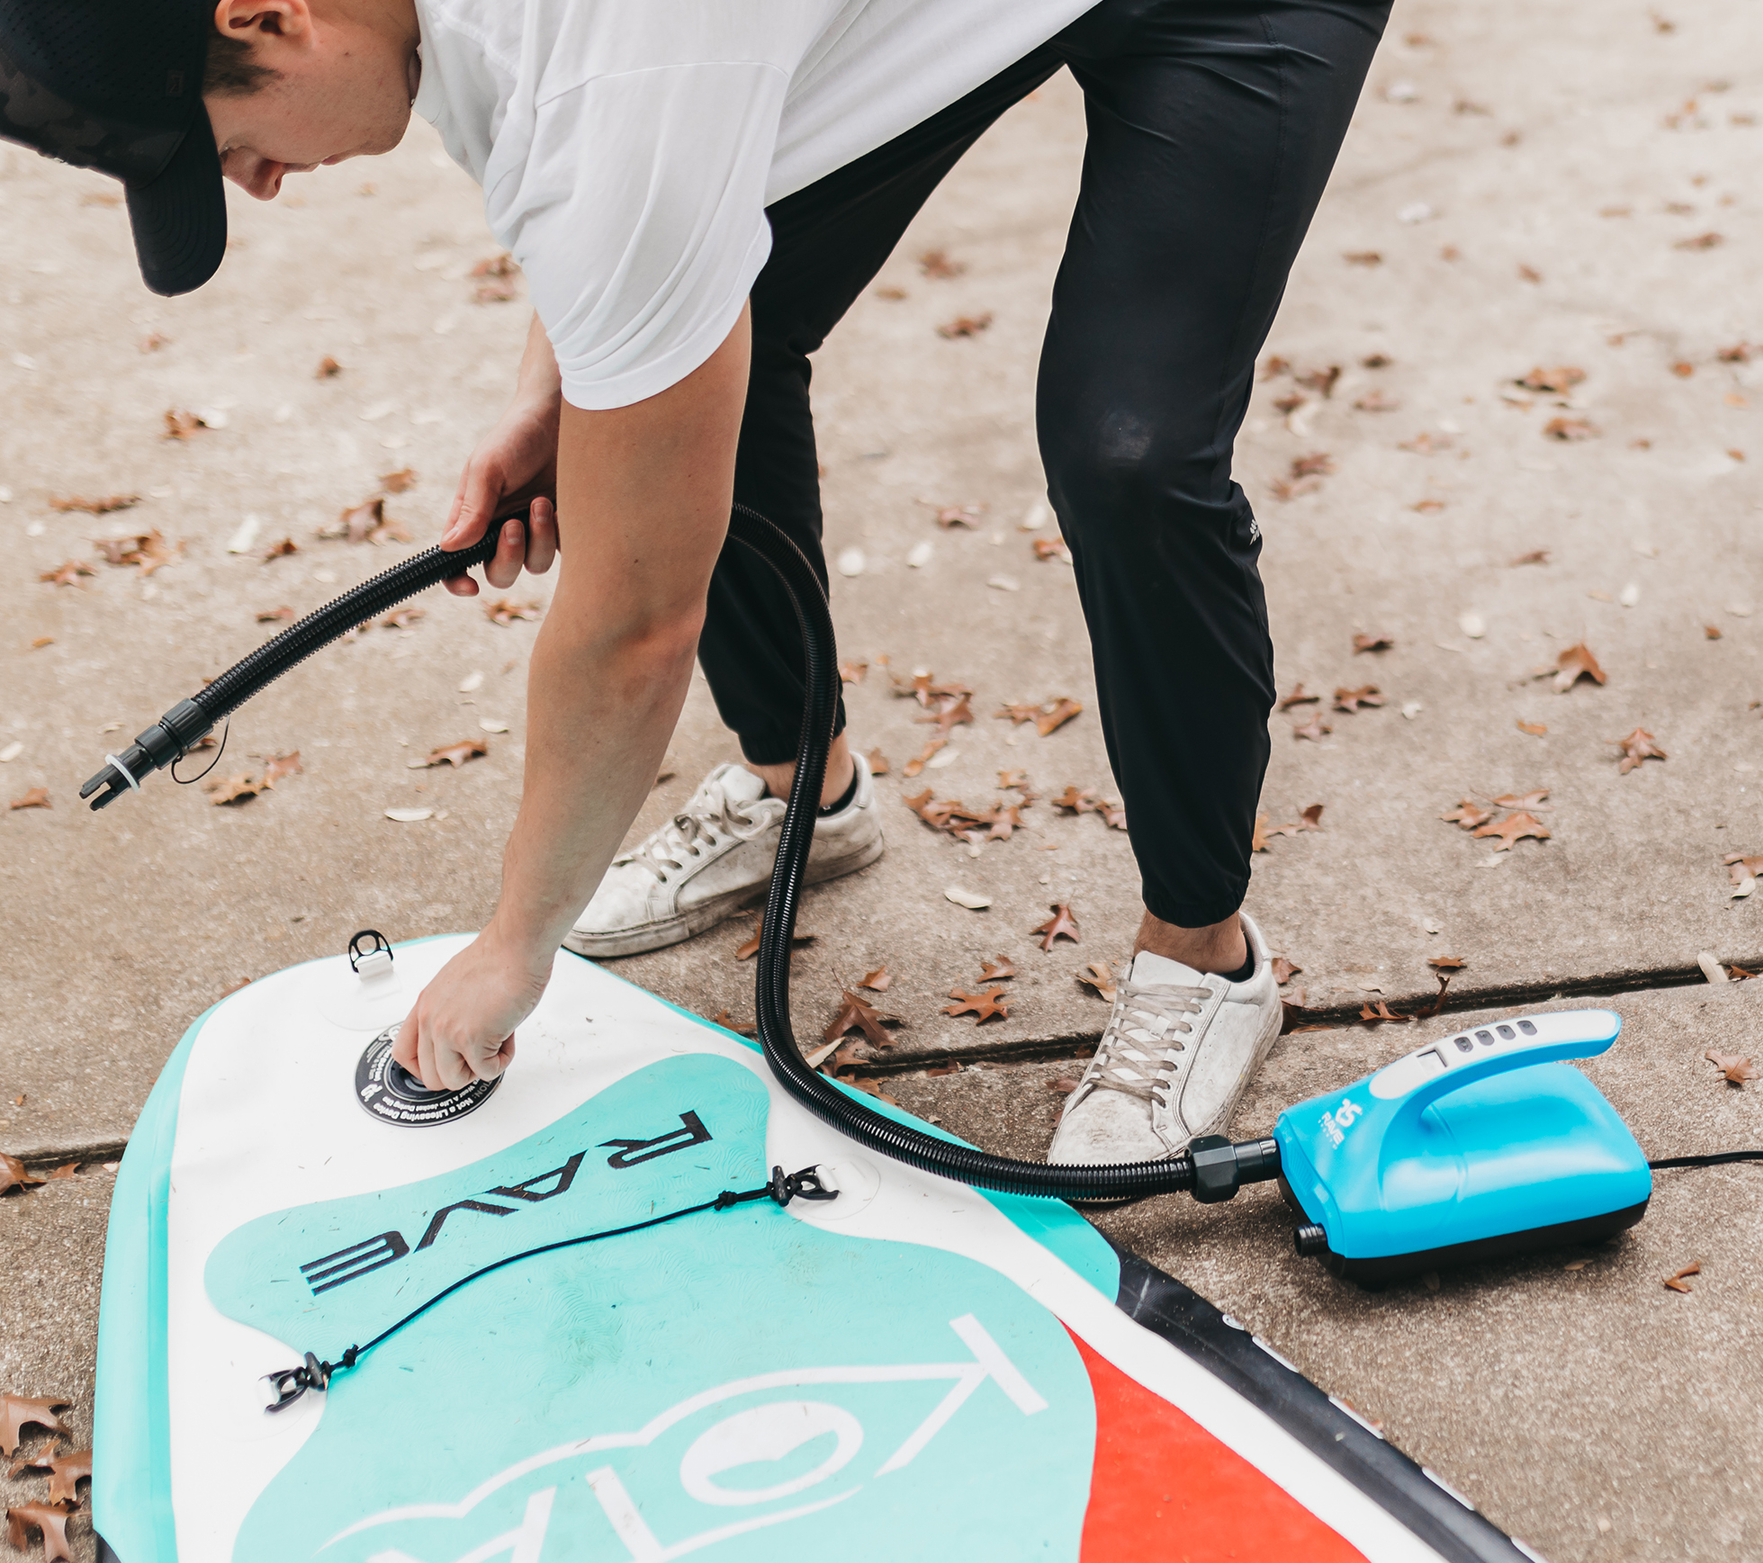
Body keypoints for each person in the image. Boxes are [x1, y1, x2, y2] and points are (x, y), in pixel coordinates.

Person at [1, 0, 1388, 1167]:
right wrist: (561, 385)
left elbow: (633, 623)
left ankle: (1206, 956)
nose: (253, 184)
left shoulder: (603, 84)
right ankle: (804, 791)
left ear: (269, 14)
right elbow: (643, 182)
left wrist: (514, 946)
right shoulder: (484, 46)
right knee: (728, 327)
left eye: (226, 145)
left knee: (1130, 453)